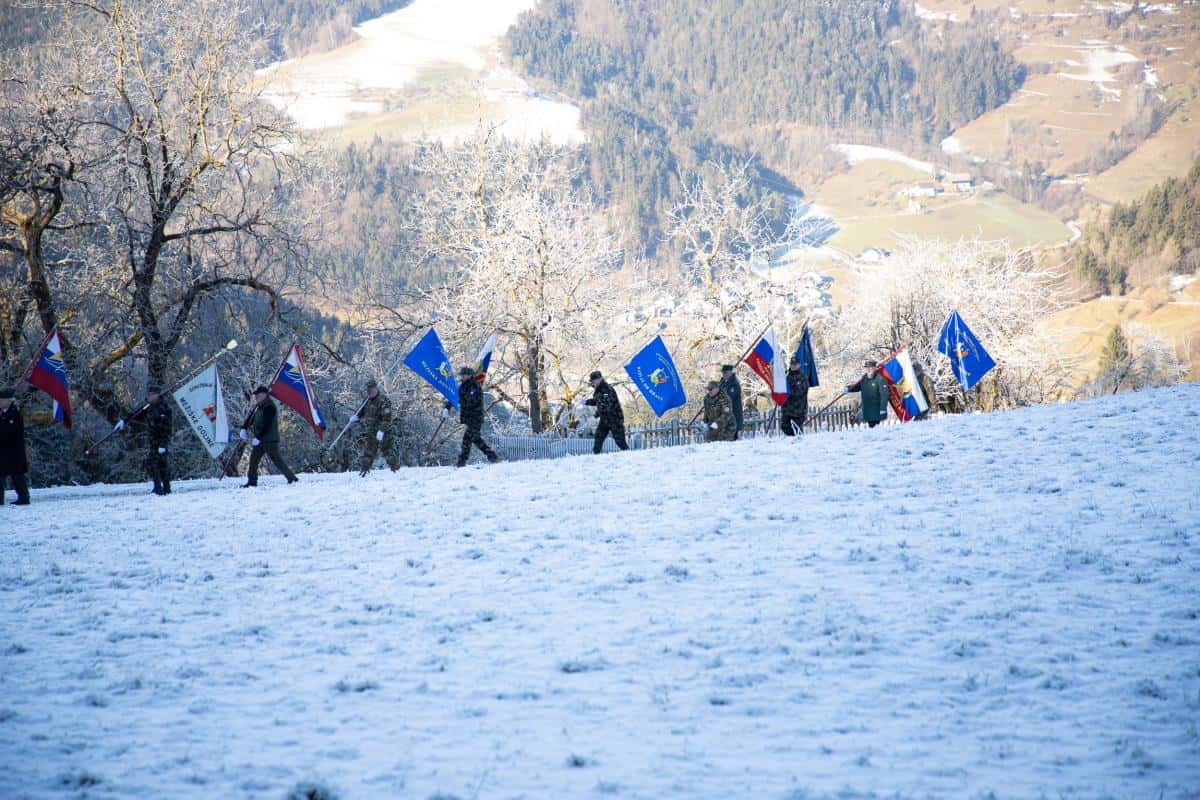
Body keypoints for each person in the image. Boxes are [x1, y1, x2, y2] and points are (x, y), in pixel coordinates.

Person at [241, 385, 298, 487]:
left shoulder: (270, 407)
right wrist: (244, 428)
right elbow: (251, 418)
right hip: (260, 440)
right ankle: (252, 481)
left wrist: (258, 437)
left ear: (264, 395)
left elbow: (267, 424)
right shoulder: (259, 407)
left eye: (258, 395)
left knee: (277, 460)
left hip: (269, 440)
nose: (256, 397)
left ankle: (292, 478)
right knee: (253, 460)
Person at [451, 365, 500, 468]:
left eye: (464, 375)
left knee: (467, 439)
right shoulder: (463, 386)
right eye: (462, 375)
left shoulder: (474, 386)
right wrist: (448, 406)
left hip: (475, 417)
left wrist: (460, 400)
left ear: (469, 375)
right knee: (475, 439)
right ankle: (492, 456)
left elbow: (471, 401)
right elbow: (455, 397)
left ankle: (462, 461)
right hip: (469, 418)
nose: (462, 376)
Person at [350, 378, 400, 476]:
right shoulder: (367, 401)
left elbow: (387, 419)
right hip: (371, 431)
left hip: (384, 431)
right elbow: (361, 412)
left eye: (372, 389)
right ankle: (364, 471)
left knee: (387, 451)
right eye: (368, 390)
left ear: (376, 389)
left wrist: (381, 431)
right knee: (368, 451)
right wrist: (356, 417)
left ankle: (396, 471)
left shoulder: (383, 400)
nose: (370, 392)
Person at [0, 387, 31, 506]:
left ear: (8, 400)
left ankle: (24, 498)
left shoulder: (15, 413)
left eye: (2, 399)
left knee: (17, 475)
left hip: (13, 451)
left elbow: (11, 431)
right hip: (2, 451)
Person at [585, 370, 628, 454]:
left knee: (620, 440)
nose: (592, 383)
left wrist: (595, 416)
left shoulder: (606, 389)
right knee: (598, 437)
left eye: (593, 381)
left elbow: (605, 406)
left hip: (615, 418)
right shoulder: (598, 390)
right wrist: (586, 402)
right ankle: (595, 455)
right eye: (592, 381)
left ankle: (627, 454)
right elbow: (597, 401)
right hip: (605, 419)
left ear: (599, 379)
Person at [144, 385, 173, 495]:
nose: (149, 396)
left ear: (157, 395)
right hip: (153, 441)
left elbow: (166, 428)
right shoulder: (150, 407)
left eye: (152, 394)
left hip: (160, 441)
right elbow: (138, 414)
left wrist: (163, 444)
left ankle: (161, 487)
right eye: (149, 394)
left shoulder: (163, 408)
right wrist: (125, 420)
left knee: (158, 464)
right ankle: (163, 487)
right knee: (158, 464)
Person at [847, 359, 889, 428]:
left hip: (877, 410)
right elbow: (857, 386)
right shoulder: (864, 379)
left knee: (876, 429)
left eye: (870, 367)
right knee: (870, 429)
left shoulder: (880, 379)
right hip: (867, 411)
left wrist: (883, 408)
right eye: (867, 368)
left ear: (875, 368)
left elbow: (884, 395)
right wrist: (848, 389)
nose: (868, 369)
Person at [781, 356, 810, 436]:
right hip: (787, 409)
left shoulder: (802, 377)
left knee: (797, 431)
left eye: (795, 364)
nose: (793, 366)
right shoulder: (786, 377)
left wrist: (788, 393)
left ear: (799, 365)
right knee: (785, 428)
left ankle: (798, 442)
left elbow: (801, 392)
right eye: (792, 364)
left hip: (798, 410)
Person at [719, 364, 743, 439]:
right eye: (723, 373)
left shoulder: (734, 384)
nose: (723, 374)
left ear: (730, 372)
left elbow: (729, 397)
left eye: (725, 373)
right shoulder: (721, 383)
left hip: (733, 415)